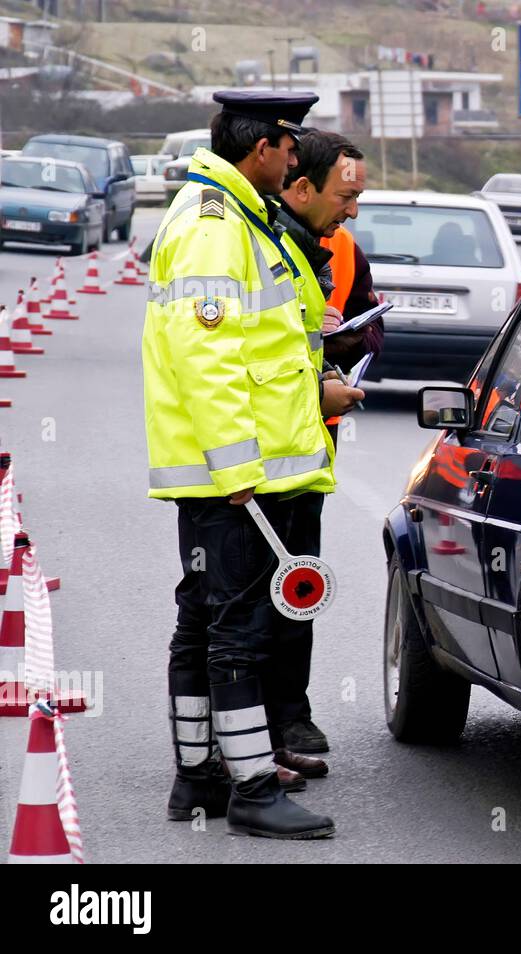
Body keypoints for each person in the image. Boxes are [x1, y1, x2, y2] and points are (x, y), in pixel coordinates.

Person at [144, 90, 364, 839]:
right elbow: (207, 359)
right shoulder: (213, 227)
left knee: (204, 623)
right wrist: (239, 471)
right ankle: (250, 788)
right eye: (291, 145)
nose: (297, 158)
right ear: (264, 147)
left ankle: (200, 776)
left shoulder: (234, 216)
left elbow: (265, 349)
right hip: (240, 476)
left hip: (237, 471)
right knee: (237, 630)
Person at [269, 130, 379, 757]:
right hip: (255, 459)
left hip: (312, 447)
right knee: (245, 602)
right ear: (301, 184)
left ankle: (291, 715)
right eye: (347, 194)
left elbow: (370, 321)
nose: (353, 208)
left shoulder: (343, 249)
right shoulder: (265, 248)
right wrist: (317, 383)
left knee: (298, 585)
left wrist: (344, 351)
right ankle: (247, 734)